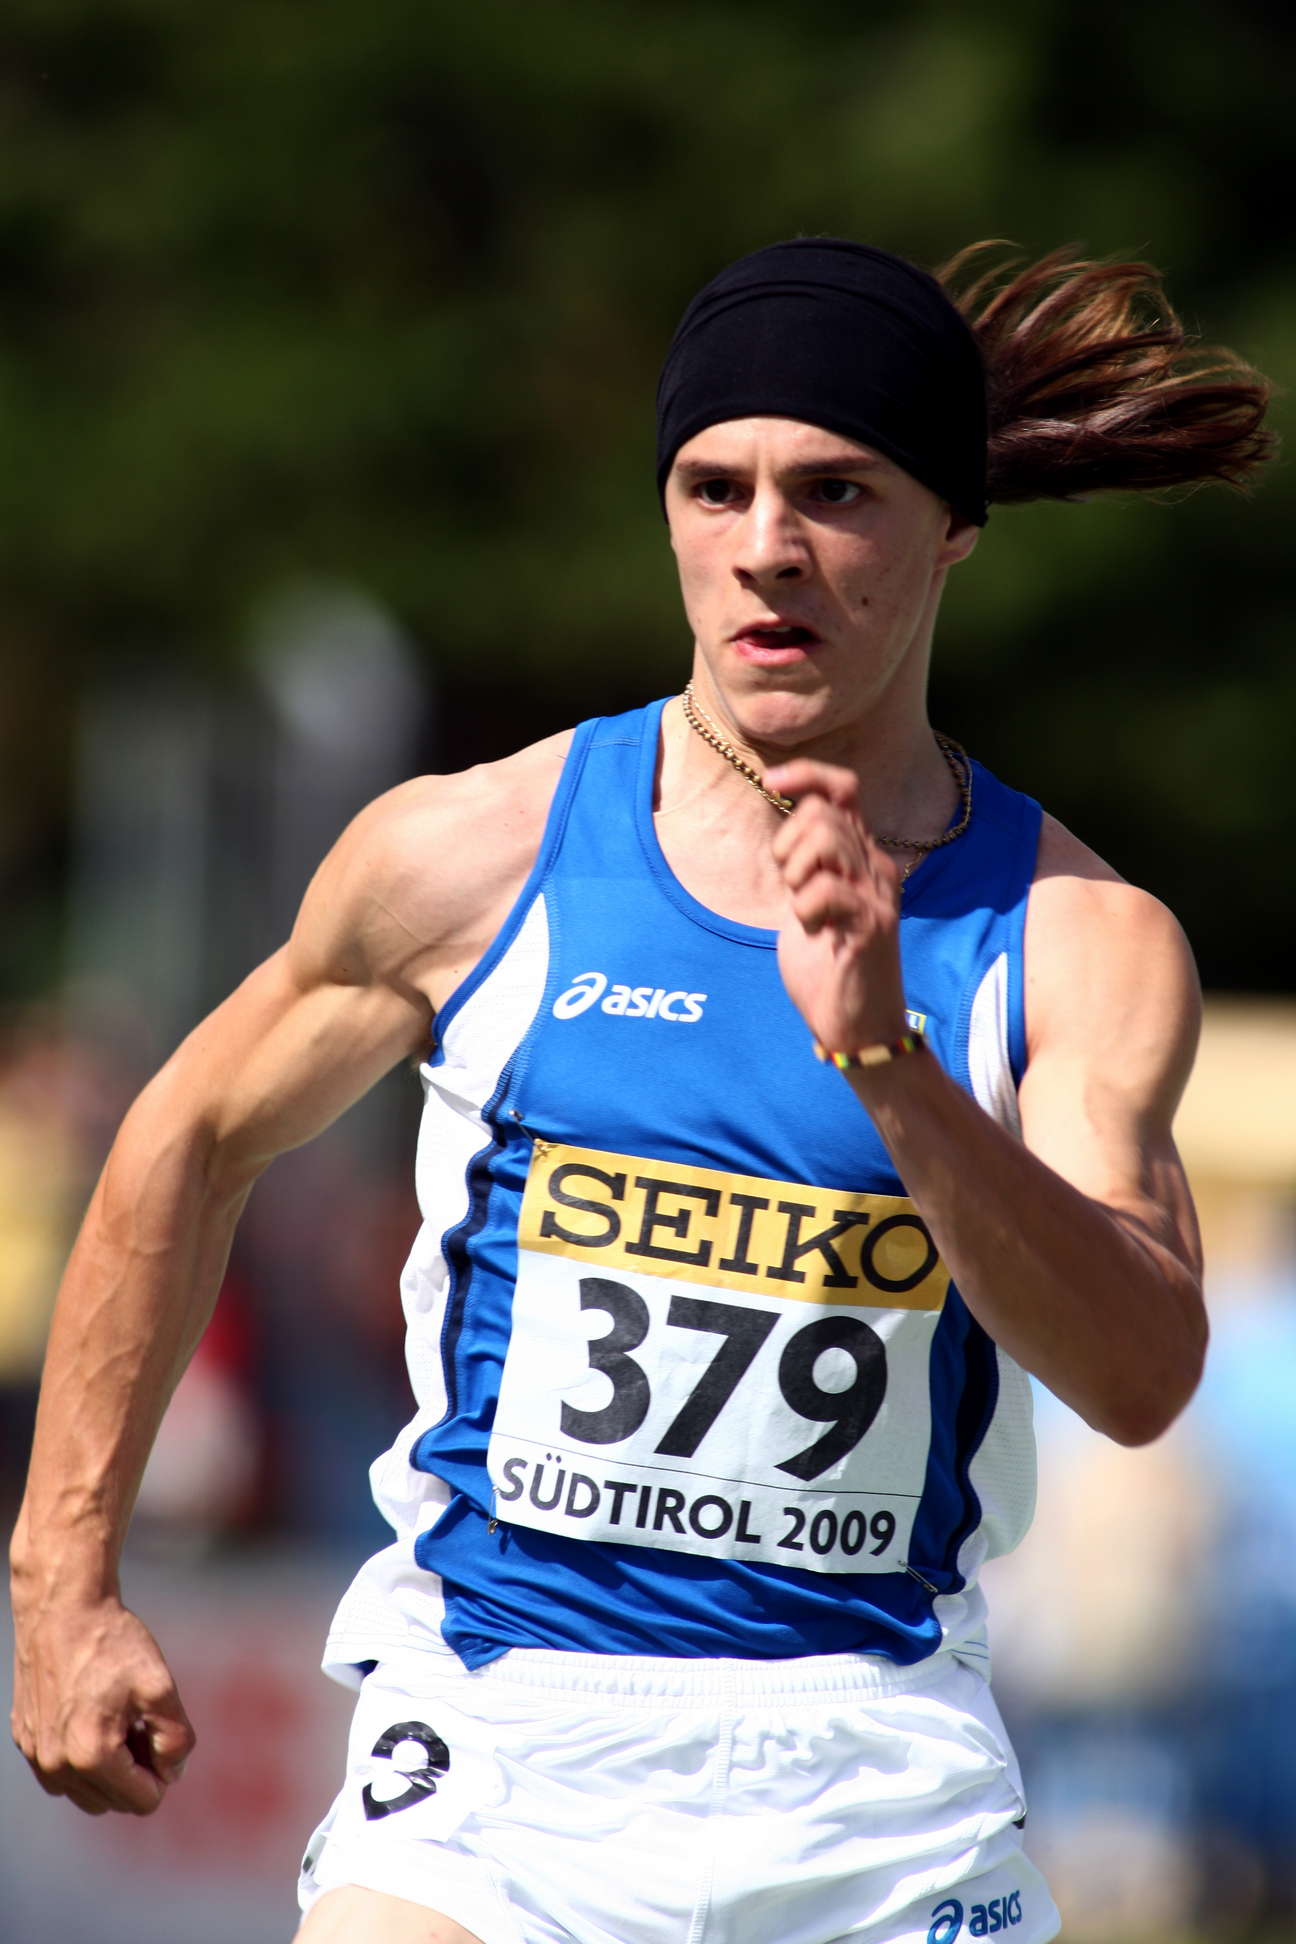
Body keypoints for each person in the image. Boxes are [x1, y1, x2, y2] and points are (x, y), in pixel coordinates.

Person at [9, 237, 1271, 1944]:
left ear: (955, 526)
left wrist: (890, 1067)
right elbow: (186, 1133)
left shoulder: (1074, 939)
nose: (767, 546)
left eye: (837, 491)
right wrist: (62, 1577)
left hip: (874, 1785)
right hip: (502, 1750)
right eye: (714, 487)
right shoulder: (473, 856)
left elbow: (1139, 1374)